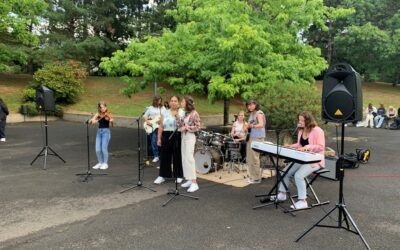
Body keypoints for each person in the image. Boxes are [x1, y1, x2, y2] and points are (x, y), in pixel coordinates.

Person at [275, 111, 325, 209]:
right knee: (284, 172)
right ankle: (282, 194)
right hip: (302, 158)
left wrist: (307, 147)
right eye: (299, 120)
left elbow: (320, 147)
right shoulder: (301, 130)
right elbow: (299, 145)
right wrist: (290, 146)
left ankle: (302, 201)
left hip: (314, 160)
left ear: (308, 120)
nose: (300, 122)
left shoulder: (317, 130)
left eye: (303, 120)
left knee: (298, 175)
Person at [154, 96, 185, 184]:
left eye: (175, 101)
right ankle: (162, 175)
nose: (173, 102)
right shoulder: (165, 112)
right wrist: (159, 138)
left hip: (177, 135)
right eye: (171, 101)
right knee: (164, 156)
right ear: (170, 102)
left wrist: (177, 116)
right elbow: (161, 126)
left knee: (177, 156)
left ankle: (178, 175)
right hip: (166, 135)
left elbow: (182, 125)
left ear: (178, 103)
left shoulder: (182, 112)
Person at [178, 96, 201, 192]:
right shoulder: (185, 113)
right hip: (184, 137)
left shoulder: (194, 113)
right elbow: (180, 125)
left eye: (183, 101)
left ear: (187, 103)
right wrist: (177, 119)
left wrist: (186, 127)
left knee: (189, 158)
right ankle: (189, 179)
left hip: (190, 137)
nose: (181, 103)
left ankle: (194, 183)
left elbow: (197, 127)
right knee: (184, 158)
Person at [245, 99, 266, 184]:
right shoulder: (251, 114)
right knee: (250, 157)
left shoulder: (259, 113)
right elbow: (250, 125)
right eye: (248, 105)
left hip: (257, 138)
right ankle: (252, 176)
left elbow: (261, 124)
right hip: (251, 137)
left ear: (255, 105)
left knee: (254, 158)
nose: (249, 107)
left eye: (251, 105)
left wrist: (251, 126)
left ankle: (256, 178)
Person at [89, 101, 114, 170]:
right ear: (99, 108)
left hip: (106, 132)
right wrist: (93, 120)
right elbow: (93, 121)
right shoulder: (98, 114)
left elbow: (111, 121)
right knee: (97, 149)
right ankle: (100, 162)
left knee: (104, 149)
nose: (102, 108)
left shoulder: (108, 113)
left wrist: (111, 120)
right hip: (99, 132)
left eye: (103, 107)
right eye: (101, 107)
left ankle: (105, 163)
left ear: (106, 107)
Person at [143, 95, 166, 163]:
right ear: (155, 100)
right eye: (158, 100)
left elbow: (165, 116)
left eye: (160, 100)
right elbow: (145, 116)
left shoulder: (162, 108)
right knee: (153, 141)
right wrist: (147, 121)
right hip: (151, 126)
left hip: (160, 126)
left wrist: (162, 120)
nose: (160, 101)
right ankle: (156, 156)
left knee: (160, 141)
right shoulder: (150, 108)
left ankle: (161, 155)